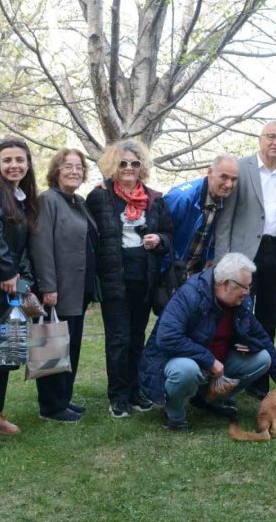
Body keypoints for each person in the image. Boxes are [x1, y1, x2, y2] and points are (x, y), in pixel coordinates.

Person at [138, 253, 276, 431]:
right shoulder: (190, 294)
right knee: (186, 370)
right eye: (245, 286)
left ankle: (209, 399)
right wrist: (209, 360)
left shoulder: (240, 302)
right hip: (174, 362)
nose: (248, 292)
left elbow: (261, 336)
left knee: (262, 359)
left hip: (215, 364)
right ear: (226, 284)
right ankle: (175, 415)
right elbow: (167, 337)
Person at [87, 139, 174, 419]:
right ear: (113, 166)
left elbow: (169, 236)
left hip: (144, 279)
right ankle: (118, 395)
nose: (128, 168)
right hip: (115, 279)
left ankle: (136, 389)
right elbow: (91, 237)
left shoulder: (155, 199)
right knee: (118, 339)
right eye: (122, 163)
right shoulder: (100, 197)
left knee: (137, 337)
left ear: (142, 168)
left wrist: (158, 239)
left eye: (134, 164)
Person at [214, 122, 276, 399]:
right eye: (271, 137)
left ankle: (260, 380)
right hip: (243, 254)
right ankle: (226, 375)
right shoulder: (242, 168)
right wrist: (222, 262)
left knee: (268, 317)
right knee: (236, 314)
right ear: (260, 139)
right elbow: (225, 220)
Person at [29, 148, 99, 423]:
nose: (74, 171)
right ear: (56, 171)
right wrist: (48, 286)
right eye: (67, 166)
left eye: (79, 167)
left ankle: (64, 399)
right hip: (56, 289)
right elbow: (41, 245)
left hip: (78, 287)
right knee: (51, 343)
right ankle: (51, 406)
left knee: (70, 345)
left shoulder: (77, 201)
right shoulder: (48, 201)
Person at [0, 137, 39, 436]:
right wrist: (8, 272)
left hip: (14, 282)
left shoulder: (24, 196)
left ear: (27, 163)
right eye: (7, 160)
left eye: (19, 160)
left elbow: (25, 245)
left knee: (7, 347)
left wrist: (22, 281)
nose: (14, 165)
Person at [164, 154, 239, 277]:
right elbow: (160, 237)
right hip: (169, 272)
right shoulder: (181, 198)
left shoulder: (225, 200)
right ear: (210, 172)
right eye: (224, 177)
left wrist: (210, 256)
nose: (229, 185)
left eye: (234, 179)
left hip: (195, 272)